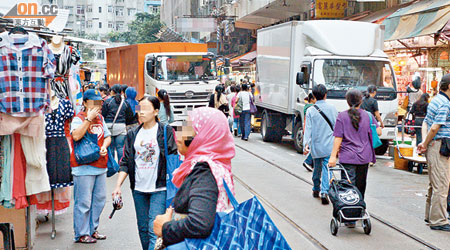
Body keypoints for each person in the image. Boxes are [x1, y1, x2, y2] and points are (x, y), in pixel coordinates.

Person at [152, 107, 235, 247]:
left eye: (188, 129)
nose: (178, 133)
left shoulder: (204, 171)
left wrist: (166, 227)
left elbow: (200, 223)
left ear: (203, 136)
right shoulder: (215, 165)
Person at [112, 96, 178, 250]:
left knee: (153, 228)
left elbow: (174, 157)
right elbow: (126, 161)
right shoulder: (133, 134)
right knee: (142, 229)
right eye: (139, 108)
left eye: (145, 109)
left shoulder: (165, 131)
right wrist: (117, 186)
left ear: (156, 111)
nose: (141, 112)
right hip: (138, 189)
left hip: (160, 188)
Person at [329, 89, 381, 226]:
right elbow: (378, 131)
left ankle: (348, 216)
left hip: (347, 157)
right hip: (364, 157)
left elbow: (338, 138)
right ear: (361, 101)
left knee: (348, 187)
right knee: (360, 186)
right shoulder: (369, 116)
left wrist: (333, 157)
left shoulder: (342, 116)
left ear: (347, 101)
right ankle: (358, 213)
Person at [71, 89, 111, 243]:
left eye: (99, 102)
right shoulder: (78, 118)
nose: (97, 105)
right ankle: (81, 233)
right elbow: (76, 136)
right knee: (83, 201)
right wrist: (88, 119)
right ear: (86, 103)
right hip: (83, 167)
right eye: (93, 102)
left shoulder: (100, 118)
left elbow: (107, 136)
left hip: (100, 165)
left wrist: (105, 146)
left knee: (99, 199)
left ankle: (92, 229)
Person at [417, 74, 450, 232]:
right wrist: (425, 143)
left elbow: (426, 122)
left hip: (434, 145)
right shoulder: (444, 103)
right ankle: (438, 220)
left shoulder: (436, 100)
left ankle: (430, 215)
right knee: (442, 185)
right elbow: (435, 127)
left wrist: (424, 142)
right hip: (439, 146)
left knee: (434, 183)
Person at [303, 85, 338, 205]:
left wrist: (305, 144)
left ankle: (316, 188)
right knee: (327, 168)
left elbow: (308, 129)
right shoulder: (333, 108)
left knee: (316, 168)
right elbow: (336, 126)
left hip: (316, 145)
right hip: (329, 144)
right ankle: (324, 191)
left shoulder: (310, 110)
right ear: (325, 95)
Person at [102, 84, 134, 163]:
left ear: (112, 91)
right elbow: (132, 114)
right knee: (120, 147)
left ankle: (113, 165)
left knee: (111, 148)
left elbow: (103, 113)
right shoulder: (132, 102)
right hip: (123, 126)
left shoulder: (108, 102)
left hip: (109, 126)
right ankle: (121, 165)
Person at [302, 93, 316, 172]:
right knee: (313, 147)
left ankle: (311, 163)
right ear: (312, 99)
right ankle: (308, 161)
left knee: (312, 146)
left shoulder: (307, 107)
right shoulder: (311, 108)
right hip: (310, 128)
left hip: (306, 127)